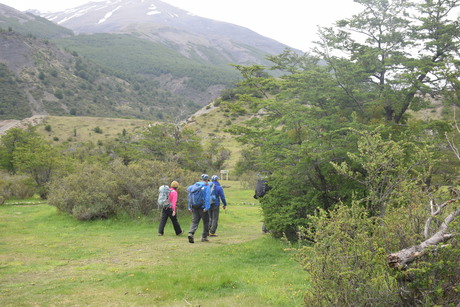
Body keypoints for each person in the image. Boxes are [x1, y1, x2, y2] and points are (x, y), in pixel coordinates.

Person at [187, 174, 212, 243]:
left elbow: (189, 197)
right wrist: (207, 207)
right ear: (207, 180)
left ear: (200, 179)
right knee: (206, 221)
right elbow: (207, 198)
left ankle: (191, 233)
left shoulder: (193, 186)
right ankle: (204, 237)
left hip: (194, 206)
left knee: (195, 221)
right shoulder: (206, 187)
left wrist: (189, 206)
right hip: (202, 207)